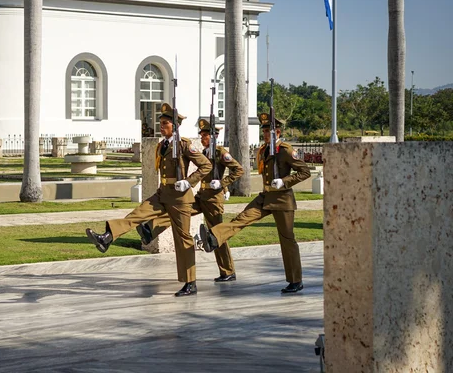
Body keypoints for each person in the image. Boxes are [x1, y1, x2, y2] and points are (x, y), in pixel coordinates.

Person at [86, 103, 211, 297]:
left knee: (183, 239)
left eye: (165, 123)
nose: (161, 126)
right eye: (160, 123)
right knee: (138, 213)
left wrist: (188, 182)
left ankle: (190, 282)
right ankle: (108, 236)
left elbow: (206, 166)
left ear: (175, 126)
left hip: (180, 199)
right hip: (162, 194)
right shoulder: (162, 145)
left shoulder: (184, 145)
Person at [198, 112, 311, 293]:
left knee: (287, 240)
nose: (265, 134)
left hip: (282, 200)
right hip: (265, 196)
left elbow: (305, 172)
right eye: (264, 130)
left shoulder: (286, 150)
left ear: (278, 132)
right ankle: (213, 236)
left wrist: (285, 181)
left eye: (269, 131)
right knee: (241, 219)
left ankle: (295, 280)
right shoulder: (264, 149)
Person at [136, 118, 244, 282]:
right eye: (201, 135)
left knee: (216, 235)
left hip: (214, 200)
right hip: (201, 196)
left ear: (214, 136)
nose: (202, 138)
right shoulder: (205, 153)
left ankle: (228, 271)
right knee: (179, 211)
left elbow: (238, 170)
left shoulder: (220, 152)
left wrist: (223, 184)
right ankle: (151, 228)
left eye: (206, 135)